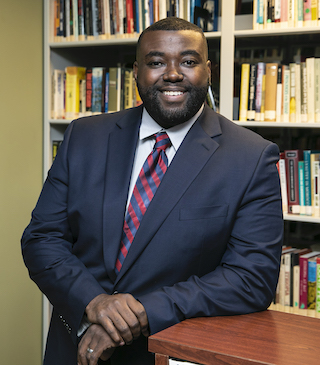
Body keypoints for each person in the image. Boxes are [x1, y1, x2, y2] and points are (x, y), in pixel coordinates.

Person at [21, 17, 283, 365]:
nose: (172, 74)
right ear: (135, 71)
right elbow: (42, 239)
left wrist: (142, 312)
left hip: (165, 352)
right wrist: (94, 304)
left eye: (188, 62)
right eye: (156, 62)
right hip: (74, 347)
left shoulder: (251, 157)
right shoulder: (83, 137)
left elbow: (252, 277)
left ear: (209, 70)